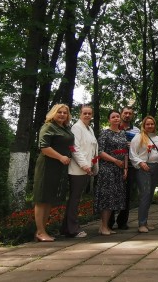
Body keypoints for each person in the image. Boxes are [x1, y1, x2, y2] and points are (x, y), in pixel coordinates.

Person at [32, 104, 74, 242]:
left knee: (49, 199)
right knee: (41, 198)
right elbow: (44, 147)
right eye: (59, 112)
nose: (62, 115)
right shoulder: (48, 126)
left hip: (58, 167)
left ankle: (43, 230)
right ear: (53, 113)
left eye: (65, 113)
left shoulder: (65, 128)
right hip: (47, 166)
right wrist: (61, 157)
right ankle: (40, 231)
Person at [61, 104, 98, 238]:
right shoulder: (76, 127)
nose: (87, 115)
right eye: (85, 113)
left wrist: (93, 165)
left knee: (75, 198)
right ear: (80, 114)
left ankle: (66, 228)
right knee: (74, 199)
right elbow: (74, 148)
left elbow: (93, 149)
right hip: (78, 169)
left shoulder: (90, 129)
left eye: (89, 113)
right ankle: (73, 229)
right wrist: (84, 165)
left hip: (87, 168)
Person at [94, 110, 128, 235]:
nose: (116, 119)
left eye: (117, 117)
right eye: (113, 117)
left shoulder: (123, 133)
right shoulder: (104, 133)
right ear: (109, 120)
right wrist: (115, 161)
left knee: (113, 198)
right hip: (107, 169)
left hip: (119, 170)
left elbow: (125, 152)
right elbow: (100, 152)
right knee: (107, 198)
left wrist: (125, 168)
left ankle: (106, 226)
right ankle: (103, 226)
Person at [130, 115, 158, 233]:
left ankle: (145, 221)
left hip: (156, 167)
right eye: (147, 124)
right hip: (143, 167)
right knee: (145, 194)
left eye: (152, 124)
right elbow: (133, 153)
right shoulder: (138, 137)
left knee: (150, 196)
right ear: (144, 125)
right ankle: (141, 224)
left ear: (155, 125)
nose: (150, 126)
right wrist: (140, 163)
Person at [109, 106, 139, 230]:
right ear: (121, 114)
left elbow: (140, 147)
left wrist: (132, 145)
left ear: (132, 116)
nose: (127, 115)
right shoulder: (113, 127)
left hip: (130, 165)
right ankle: (109, 221)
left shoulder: (137, 131)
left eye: (130, 114)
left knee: (126, 194)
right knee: (112, 192)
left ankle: (122, 221)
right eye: (125, 113)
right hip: (113, 164)